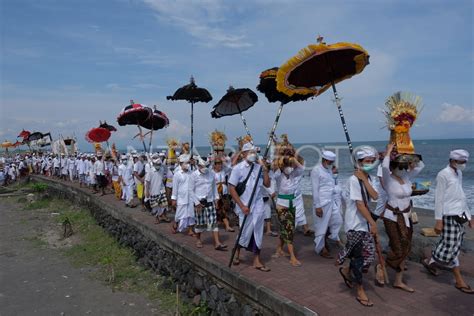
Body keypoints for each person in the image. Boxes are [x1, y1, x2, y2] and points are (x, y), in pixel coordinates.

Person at [423, 149, 473, 294]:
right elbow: (438, 198)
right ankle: (458, 280)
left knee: (453, 245)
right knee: (451, 246)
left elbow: (461, 195)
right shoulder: (443, 174)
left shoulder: (459, 173)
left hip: (459, 214)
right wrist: (438, 220)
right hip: (448, 215)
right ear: (453, 160)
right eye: (461, 162)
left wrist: (469, 216)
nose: (463, 165)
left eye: (465, 162)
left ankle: (431, 261)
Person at [337, 147, 379, 307]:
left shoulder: (369, 178)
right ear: (359, 162)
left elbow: (374, 196)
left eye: (371, 161)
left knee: (368, 256)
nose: (369, 164)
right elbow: (360, 204)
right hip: (355, 224)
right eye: (366, 161)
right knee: (359, 258)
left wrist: (365, 180)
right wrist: (373, 223)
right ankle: (360, 290)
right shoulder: (353, 180)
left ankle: (347, 271)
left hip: (365, 223)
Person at [381, 143, 424, 293]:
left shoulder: (406, 177)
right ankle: (382, 265)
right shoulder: (388, 179)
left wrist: (410, 152)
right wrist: (388, 152)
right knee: (398, 248)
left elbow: (419, 166)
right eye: (400, 166)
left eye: (404, 166)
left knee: (406, 248)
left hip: (407, 216)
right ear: (393, 167)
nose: (403, 169)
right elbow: (385, 167)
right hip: (392, 218)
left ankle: (398, 281)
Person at [228, 142, 271, 272]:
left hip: (258, 205)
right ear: (244, 154)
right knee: (245, 232)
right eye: (250, 152)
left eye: (254, 152)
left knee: (258, 232)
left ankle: (256, 260)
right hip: (245, 205)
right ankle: (237, 251)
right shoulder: (238, 169)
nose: (253, 155)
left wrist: (264, 169)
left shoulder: (258, 167)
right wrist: (242, 206)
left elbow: (267, 184)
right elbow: (231, 188)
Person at [272, 155, 304, 267]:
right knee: (289, 229)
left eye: (290, 166)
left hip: (292, 204)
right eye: (287, 165)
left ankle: (279, 249)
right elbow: (275, 165)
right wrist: (282, 159)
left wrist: (292, 159)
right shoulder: (278, 175)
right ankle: (292, 257)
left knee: (285, 228)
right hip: (282, 205)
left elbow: (302, 168)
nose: (289, 167)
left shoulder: (293, 174)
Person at [192, 158, 227, 250]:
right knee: (200, 223)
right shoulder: (194, 175)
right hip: (199, 202)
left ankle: (217, 243)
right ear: (198, 166)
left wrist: (216, 199)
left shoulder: (211, 174)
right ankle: (198, 239)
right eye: (202, 166)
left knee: (214, 222)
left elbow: (214, 187)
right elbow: (190, 190)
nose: (204, 168)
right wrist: (196, 203)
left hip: (210, 201)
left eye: (206, 166)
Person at [311, 150, 337, 258]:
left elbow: (331, 185)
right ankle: (322, 248)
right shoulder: (316, 170)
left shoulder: (328, 170)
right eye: (330, 162)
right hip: (321, 203)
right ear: (325, 160)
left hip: (331, 201)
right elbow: (314, 189)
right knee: (322, 227)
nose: (331, 164)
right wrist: (318, 206)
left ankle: (324, 242)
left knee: (337, 221)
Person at [171, 154, 197, 234]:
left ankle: (190, 230)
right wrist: (174, 199)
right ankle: (175, 223)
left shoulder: (191, 173)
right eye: (186, 163)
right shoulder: (177, 174)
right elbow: (174, 188)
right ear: (181, 164)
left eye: (188, 163)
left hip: (190, 198)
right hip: (181, 198)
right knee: (179, 214)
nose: (188, 165)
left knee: (191, 214)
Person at [213, 157, 235, 232]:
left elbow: (230, 167)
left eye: (220, 164)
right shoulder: (212, 173)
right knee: (220, 209)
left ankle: (223, 223)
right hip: (216, 193)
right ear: (214, 165)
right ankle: (227, 225)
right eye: (218, 164)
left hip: (224, 193)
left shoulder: (223, 171)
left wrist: (224, 162)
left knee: (225, 208)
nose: (219, 165)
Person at [145, 156, 169, 223]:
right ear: (154, 164)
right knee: (155, 206)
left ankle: (164, 216)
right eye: (157, 164)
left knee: (164, 204)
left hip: (161, 190)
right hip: (153, 191)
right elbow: (147, 182)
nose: (158, 166)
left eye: (159, 164)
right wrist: (147, 191)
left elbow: (164, 176)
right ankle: (157, 218)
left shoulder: (162, 169)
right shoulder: (150, 171)